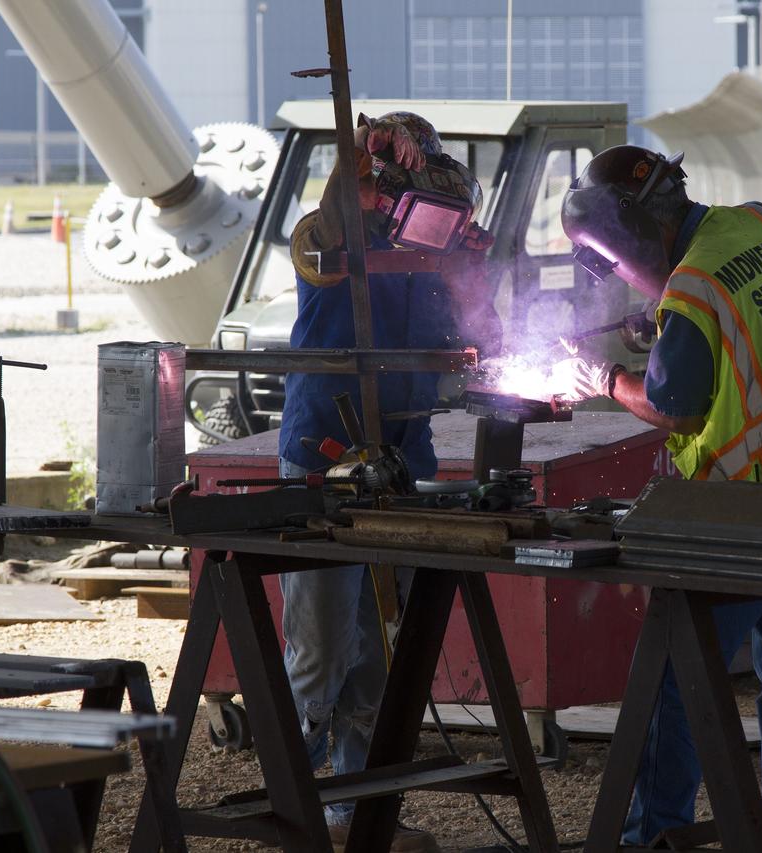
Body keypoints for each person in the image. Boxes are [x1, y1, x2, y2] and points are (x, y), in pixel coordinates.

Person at [562, 145, 762, 852]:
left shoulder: (690, 288)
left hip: (754, 506)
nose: (623, 275)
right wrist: (662, 330)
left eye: (618, 261)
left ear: (634, 238)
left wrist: (610, 381)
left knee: (679, 672)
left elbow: (677, 406)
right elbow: (755, 322)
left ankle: (655, 836)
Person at [282, 111, 498, 853]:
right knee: (320, 647)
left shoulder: (433, 258)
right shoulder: (326, 236)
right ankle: (297, 806)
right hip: (326, 454)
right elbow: (338, 208)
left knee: (376, 650)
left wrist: (474, 273)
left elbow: (477, 338)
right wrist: (355, 156)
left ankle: (358, 808)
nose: (430, 228)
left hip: (402, 460)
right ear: (386, 194)